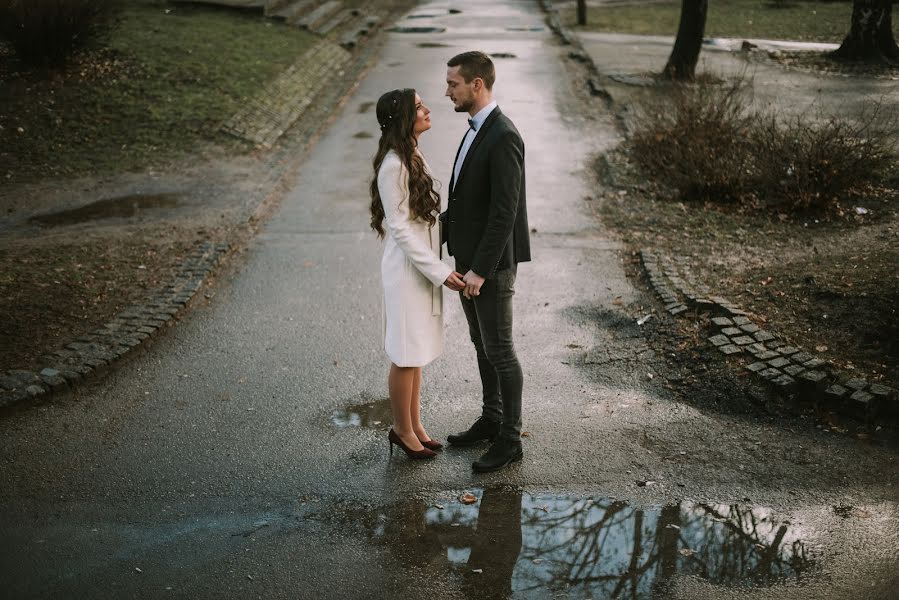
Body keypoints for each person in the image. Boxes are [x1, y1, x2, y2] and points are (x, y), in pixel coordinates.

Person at [442, 51, 531, 472]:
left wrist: (480, 269)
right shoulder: (478, 130)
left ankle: (510, 439)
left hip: (489, 267)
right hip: (467, 262)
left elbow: (504, 213)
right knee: (482, 346)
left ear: (477, 84)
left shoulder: (503, 135)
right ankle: (492, 420)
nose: (447, 91)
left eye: (453, 84)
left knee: (500, 350)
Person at [369, 88, 465, 460]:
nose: (427, 109)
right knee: (405, 353)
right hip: (407, 271)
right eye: (419, 106)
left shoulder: (412, 153)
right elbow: (401, 229)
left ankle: (415, 424)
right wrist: (440, 271)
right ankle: (401, 429)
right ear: (404, 117)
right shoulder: (393, 165)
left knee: (418, 351)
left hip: (422, 267)